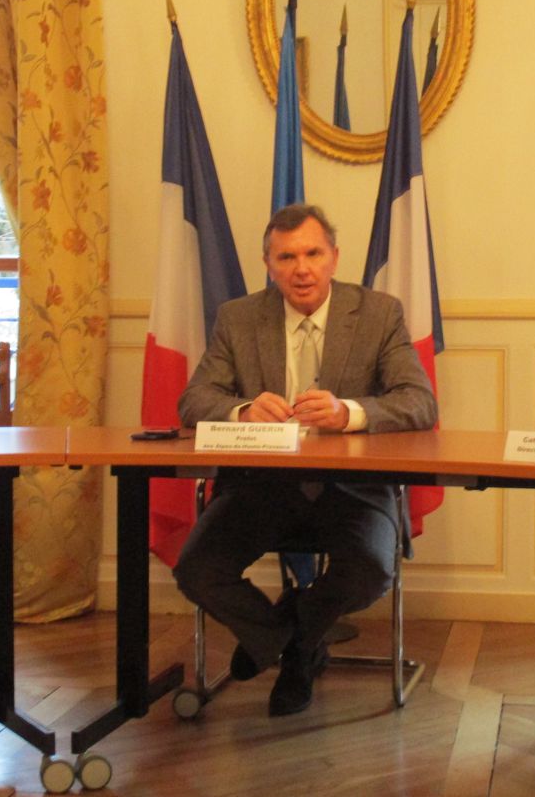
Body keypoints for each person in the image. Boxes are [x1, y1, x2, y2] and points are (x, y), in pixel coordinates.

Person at [174, 204, 437, 717]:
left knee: (370, 569)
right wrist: (243, 410)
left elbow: (419, 402)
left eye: (313, 254)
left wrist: (349, 413)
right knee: (198, 569)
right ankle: (292, 642)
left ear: (334, 257)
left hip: (353, 489)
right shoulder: (238, 317)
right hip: (260, 488)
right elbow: (194, 400)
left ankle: (293, 637)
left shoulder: (379, 313)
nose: (302, 269)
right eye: (287, 257)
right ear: (268, 265)